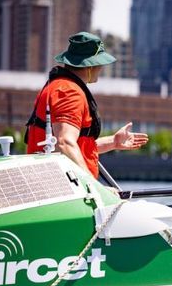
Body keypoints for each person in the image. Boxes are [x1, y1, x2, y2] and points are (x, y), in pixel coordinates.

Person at [26, 31, 148, 178]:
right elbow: (64, 142)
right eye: (100, 63)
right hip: (64, 188)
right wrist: (95, 187)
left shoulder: (58, 86)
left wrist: (113, 142)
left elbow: (75, 144)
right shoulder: (69, 91)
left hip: (49, 182)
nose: (101, 68)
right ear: (89, 66)